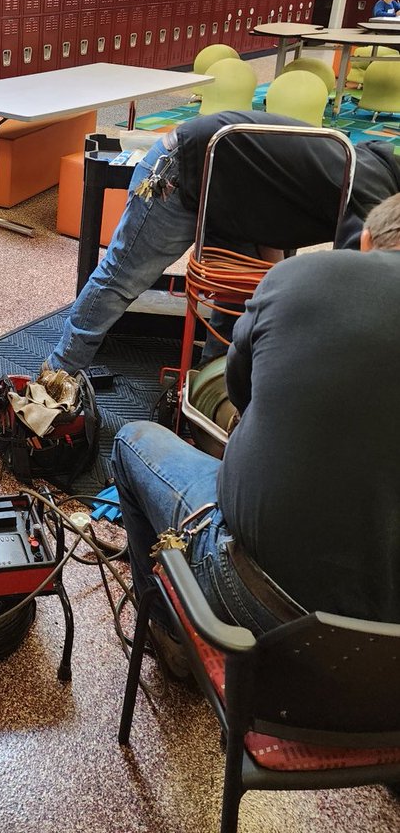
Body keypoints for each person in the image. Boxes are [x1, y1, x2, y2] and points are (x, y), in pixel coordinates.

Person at [111, 192, 400, 673]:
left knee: (131, 443)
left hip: (266, 603)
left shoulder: (299, 276)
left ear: (366, 241)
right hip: (390, 666)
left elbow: (240, 392)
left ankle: (171, 637)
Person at [47, 109, 400, 374]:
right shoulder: (372, 193)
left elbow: (278, 213)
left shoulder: (374, 175)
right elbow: (362, 289)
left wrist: (271, 286)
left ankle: (209, 388)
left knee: (239, 298)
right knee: (121, 280)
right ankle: (54, 379)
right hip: (182, 170)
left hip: (235, 193)